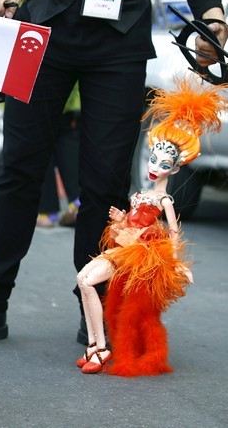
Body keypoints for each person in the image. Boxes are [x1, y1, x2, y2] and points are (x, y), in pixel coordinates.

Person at [0, 0, 228, 346]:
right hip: (44, 21)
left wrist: (211, 17)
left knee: (107, 179)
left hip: (121, 34)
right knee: (18, 166)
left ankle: (99, 302)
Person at [76, 80, 223, 376]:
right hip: (123, 246)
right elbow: (132, 219)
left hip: (139, 254)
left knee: (92, 284)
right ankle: (96, 346)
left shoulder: (164, 198)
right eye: (154, 159)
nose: (155, 166)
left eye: (164, 163)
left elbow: (173, 233)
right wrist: (120, 218)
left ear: (176, 168)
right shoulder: (142, 192)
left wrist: (177, 265)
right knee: (85, 280)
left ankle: (100, 348)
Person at [36, 87, 80, 228]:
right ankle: (77, 202)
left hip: (40, 101)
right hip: (71, 104)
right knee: (70, 147)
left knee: (41, 150)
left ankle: (47, 213)